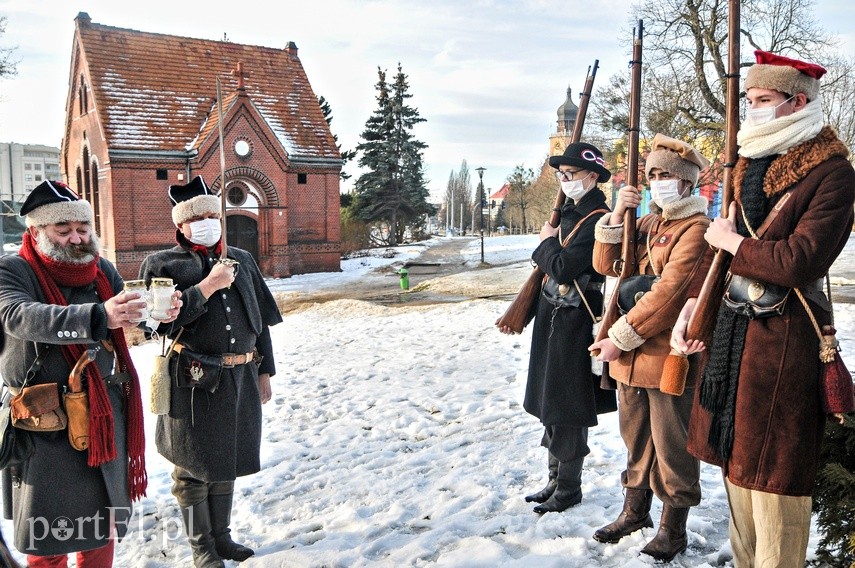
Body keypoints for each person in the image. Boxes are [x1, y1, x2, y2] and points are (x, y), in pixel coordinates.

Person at [671, 51, 855, 567]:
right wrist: (693, 308)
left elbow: (800, 259)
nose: (751, 109)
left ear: (798, 102)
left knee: (775, 487)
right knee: (738, 479)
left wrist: (731, 245)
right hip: (734, 342)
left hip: (785, 345)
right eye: (748, 100)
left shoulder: (833, 174)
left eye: (763, 100)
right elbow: (717, 246)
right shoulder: (749, 165)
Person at [0, 180, 176, 566]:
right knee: (51, 541)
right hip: (46, 423)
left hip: (102, 417)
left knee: (99, 530)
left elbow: (124, 321)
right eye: (63, 231)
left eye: (82, 229)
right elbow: (18, 316)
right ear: (36, 230)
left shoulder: (102, 270)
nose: (76, 238)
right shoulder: (12, 269)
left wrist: (155, 316)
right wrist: (98, 316)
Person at [139, 175, 282, 568]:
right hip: (193, 380)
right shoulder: (163, 265)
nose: (206, 221)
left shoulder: (243, 258)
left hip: (240, 376)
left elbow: (260, 321)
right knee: (192, 467)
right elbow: (159, 326)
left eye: (210, 213)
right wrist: (208, 286)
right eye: (196, 216)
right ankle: (202, 549)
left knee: (227, 459)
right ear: (181, 225)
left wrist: (264, 371)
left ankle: (222, 539)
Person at [589, 135, 712, 561]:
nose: (658, 182)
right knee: (635, 437)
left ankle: (672, 527)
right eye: (653, 175)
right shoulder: (649, 223)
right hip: (631, 355)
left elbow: (671, 294)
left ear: (688, 184)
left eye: (667, 176)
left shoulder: (696, 229)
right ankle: (635, 510)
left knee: (672, 443)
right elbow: (607, 266)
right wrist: (620, 212)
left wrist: (617, 337)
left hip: (666, 353)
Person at [498, 142, 615, 514]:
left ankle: (568, 488)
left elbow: (564, 267)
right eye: (561, 176)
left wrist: (544, 243)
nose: (565, 181)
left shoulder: (597, 216)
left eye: (572, 175)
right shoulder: (569, 210)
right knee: (552, 402)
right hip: (554, 315)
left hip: (575, 319)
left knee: (568, 404)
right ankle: (554, 480)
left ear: (592, 176)